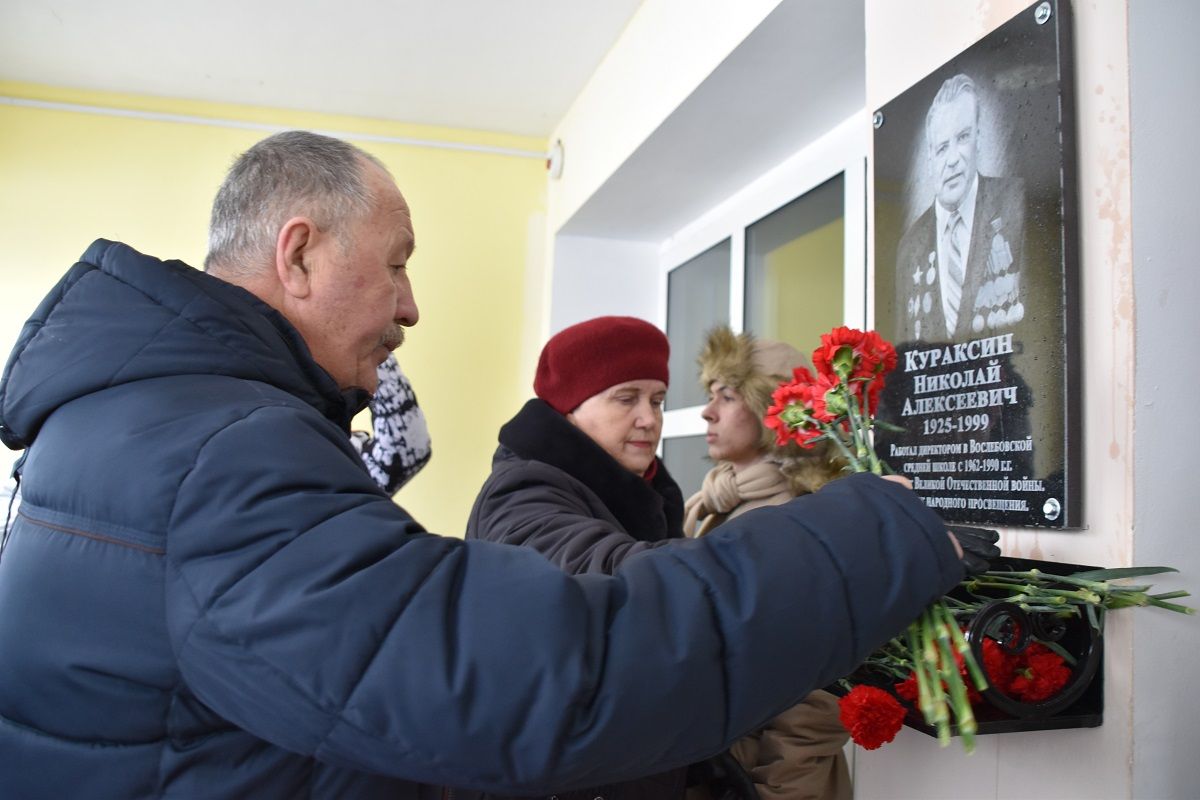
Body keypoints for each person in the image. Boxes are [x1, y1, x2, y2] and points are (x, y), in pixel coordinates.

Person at [0, 130, 969, 799]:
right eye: (397, 262)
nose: (412, 304)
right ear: (298, 254)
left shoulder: (141, 414)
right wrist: (874, 525)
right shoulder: (224, 449)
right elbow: (555, 675)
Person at [465, 315, 753, 800]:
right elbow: (613, 583)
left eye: (657, 400)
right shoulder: (522, 492)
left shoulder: (638, 494)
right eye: (626, 398)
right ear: (569, 407)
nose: (649, 419)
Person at [683, 327, 850, 800]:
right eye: (710, 394)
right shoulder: (713, 504)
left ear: (771, 408)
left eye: (728, 396)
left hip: (761, 782)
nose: (707, 411)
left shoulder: (795, 520)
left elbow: (812, 707)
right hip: (717, 767)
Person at [896, 73, 1027, 343]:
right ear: (930, 159)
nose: (953, 159)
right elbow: (904, 352)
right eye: (943, 148)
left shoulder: (1014, 205)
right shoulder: (911, 246)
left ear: (978, 138)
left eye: (963, 137)